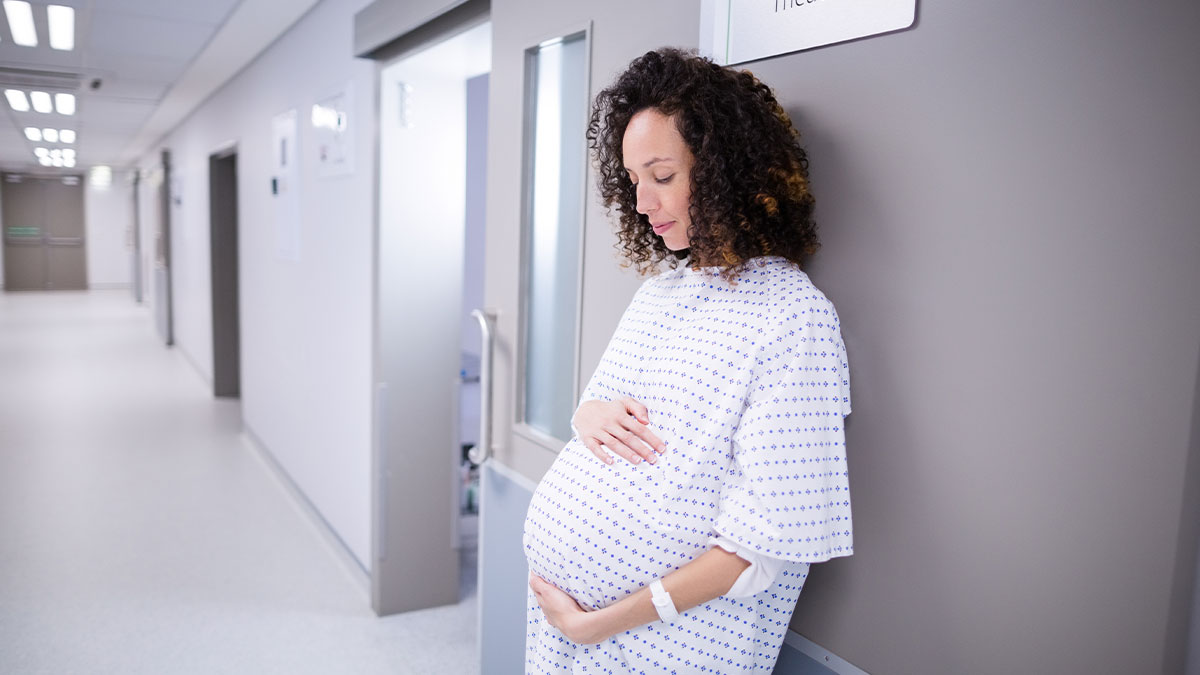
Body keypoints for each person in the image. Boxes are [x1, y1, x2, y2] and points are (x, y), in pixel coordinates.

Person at [523, 47, 853, 673]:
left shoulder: (793, 319)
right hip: (569, 633)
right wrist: (587, 413)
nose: (643, 202)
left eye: (663, 176)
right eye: (633, 180)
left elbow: (761, 547)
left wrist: (596, 624)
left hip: (666, 647)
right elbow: (598, 406)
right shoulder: (665, 291)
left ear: (727, 169)